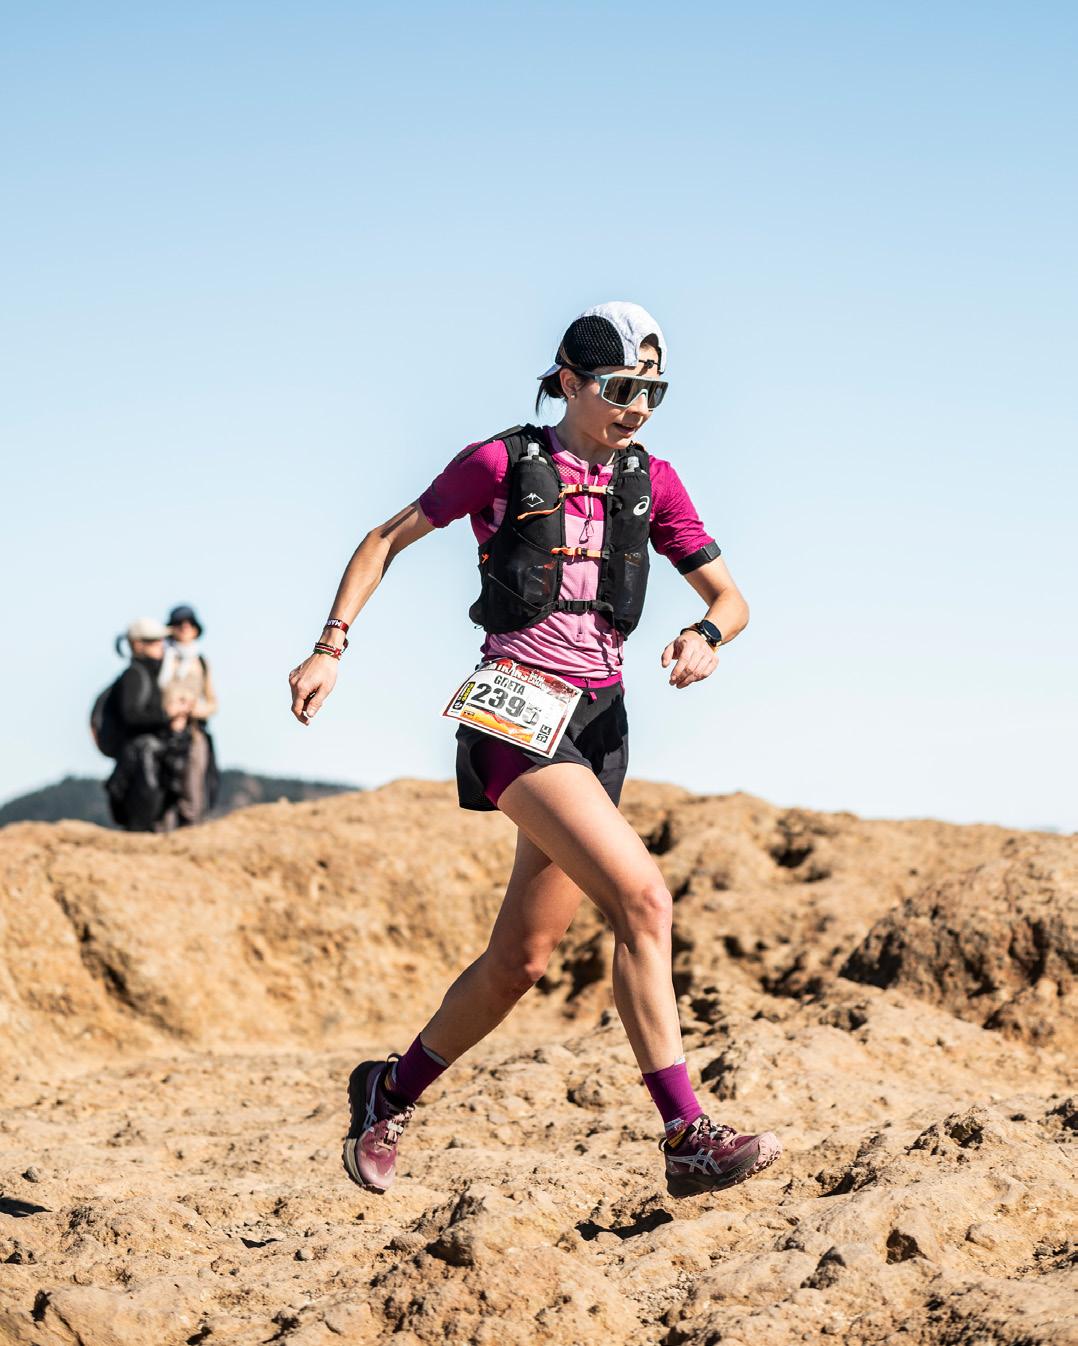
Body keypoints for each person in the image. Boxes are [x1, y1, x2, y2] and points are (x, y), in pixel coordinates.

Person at [288, 301, 781, 1199]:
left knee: (520, 961)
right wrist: (331, 646)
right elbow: (384, 539)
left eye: (653, 391)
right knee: (643, 898)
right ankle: (685, 1134)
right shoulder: (500, 462)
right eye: (620, 388)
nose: (638, 406)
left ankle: (388, 1091)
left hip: (602, 725)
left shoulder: (655, 482)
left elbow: (732, 599)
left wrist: (707, 634)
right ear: (568, 381)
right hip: (516, 715)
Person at [104, 618, 195, 832]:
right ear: (137, 644)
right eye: (154, 641)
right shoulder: (134, 675)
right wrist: (167, 715)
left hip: (147, 761)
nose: (161, 645)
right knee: (141, 825)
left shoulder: (150, 675)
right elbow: (131, 716)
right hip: (139, 765)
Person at [159, 605, 219, 825]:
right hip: (163, 731)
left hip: (193, 731)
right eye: (179, 624)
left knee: (193, 790)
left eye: (189, 624)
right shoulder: (162, 658)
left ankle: (191, 832)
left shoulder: (201, 662)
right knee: (163, 791)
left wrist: (194, 709)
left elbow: (212, 702)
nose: (185, 628)